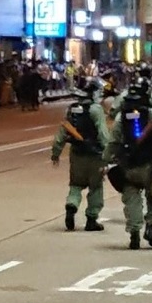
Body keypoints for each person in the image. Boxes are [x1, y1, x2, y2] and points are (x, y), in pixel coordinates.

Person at [103, 78, 152, 250]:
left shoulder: (121, 118)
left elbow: (113, 142)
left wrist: (104, 161)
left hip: (127, 166)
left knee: (131, 199)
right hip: (149, 167)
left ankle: (134, 232)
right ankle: (150, 226)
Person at [51, 77, 110, 231]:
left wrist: (56, 153)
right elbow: (103, 134)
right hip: (95, 156)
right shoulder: (96, 109)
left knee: (75, 185)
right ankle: (91, 219)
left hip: (76, 155)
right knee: (96, 187)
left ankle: (71, 206)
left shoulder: (72, 109)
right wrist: (110, 153)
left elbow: (62, 134)